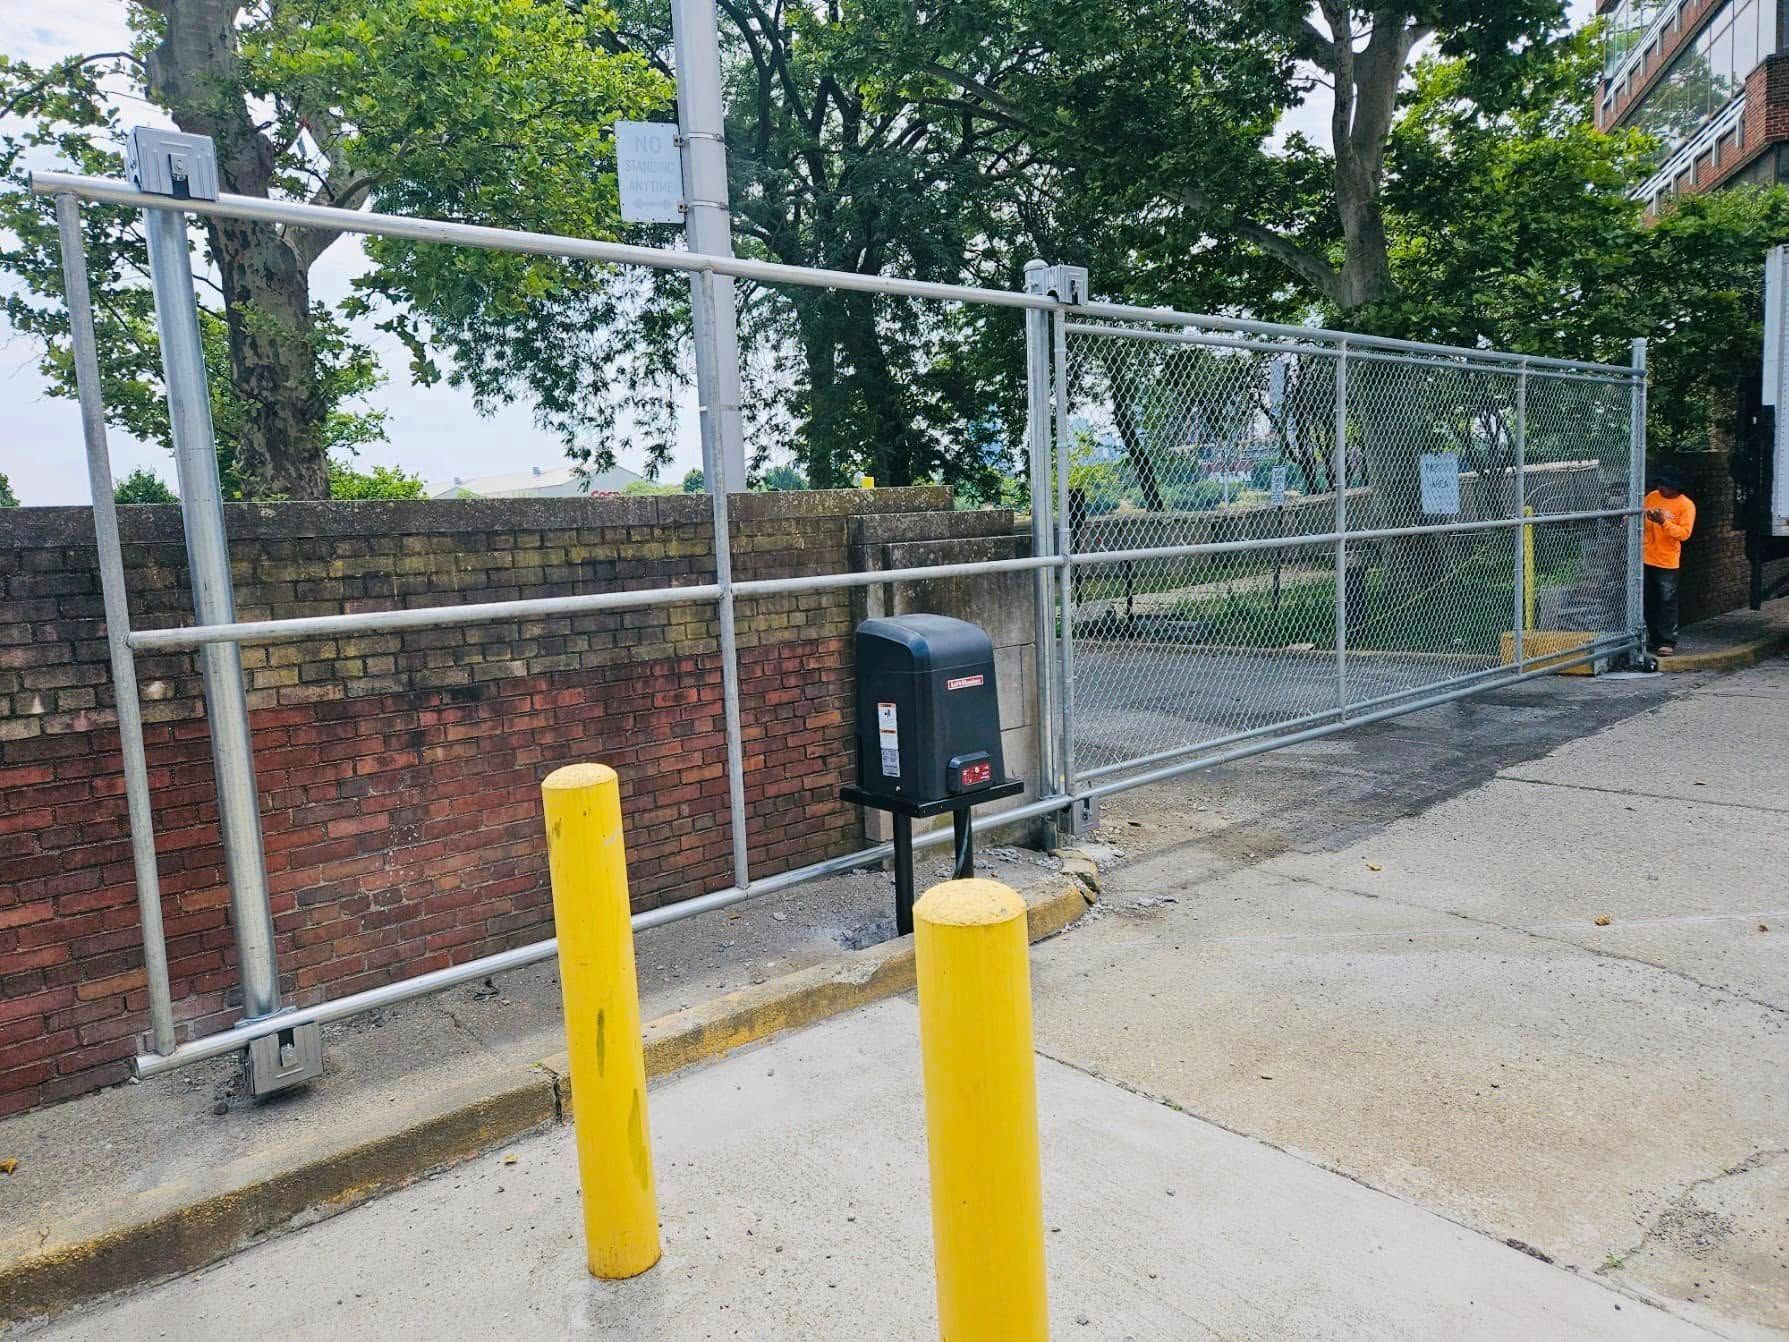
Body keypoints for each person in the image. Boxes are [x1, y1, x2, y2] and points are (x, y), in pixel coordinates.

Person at [1642, 468, 1696, 655]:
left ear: (1676, 488)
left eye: (1665, 485)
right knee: (1649, 599)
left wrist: (1663, 522)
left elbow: (1684, 534)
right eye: (1660, 484)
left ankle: (1667, 640)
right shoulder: (1652, 497)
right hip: (1646, 555)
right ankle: (1654, 637)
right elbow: (1642, 515)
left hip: (1666, 560)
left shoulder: (1685, 505)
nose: (1661, 488)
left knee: (1667, 601)